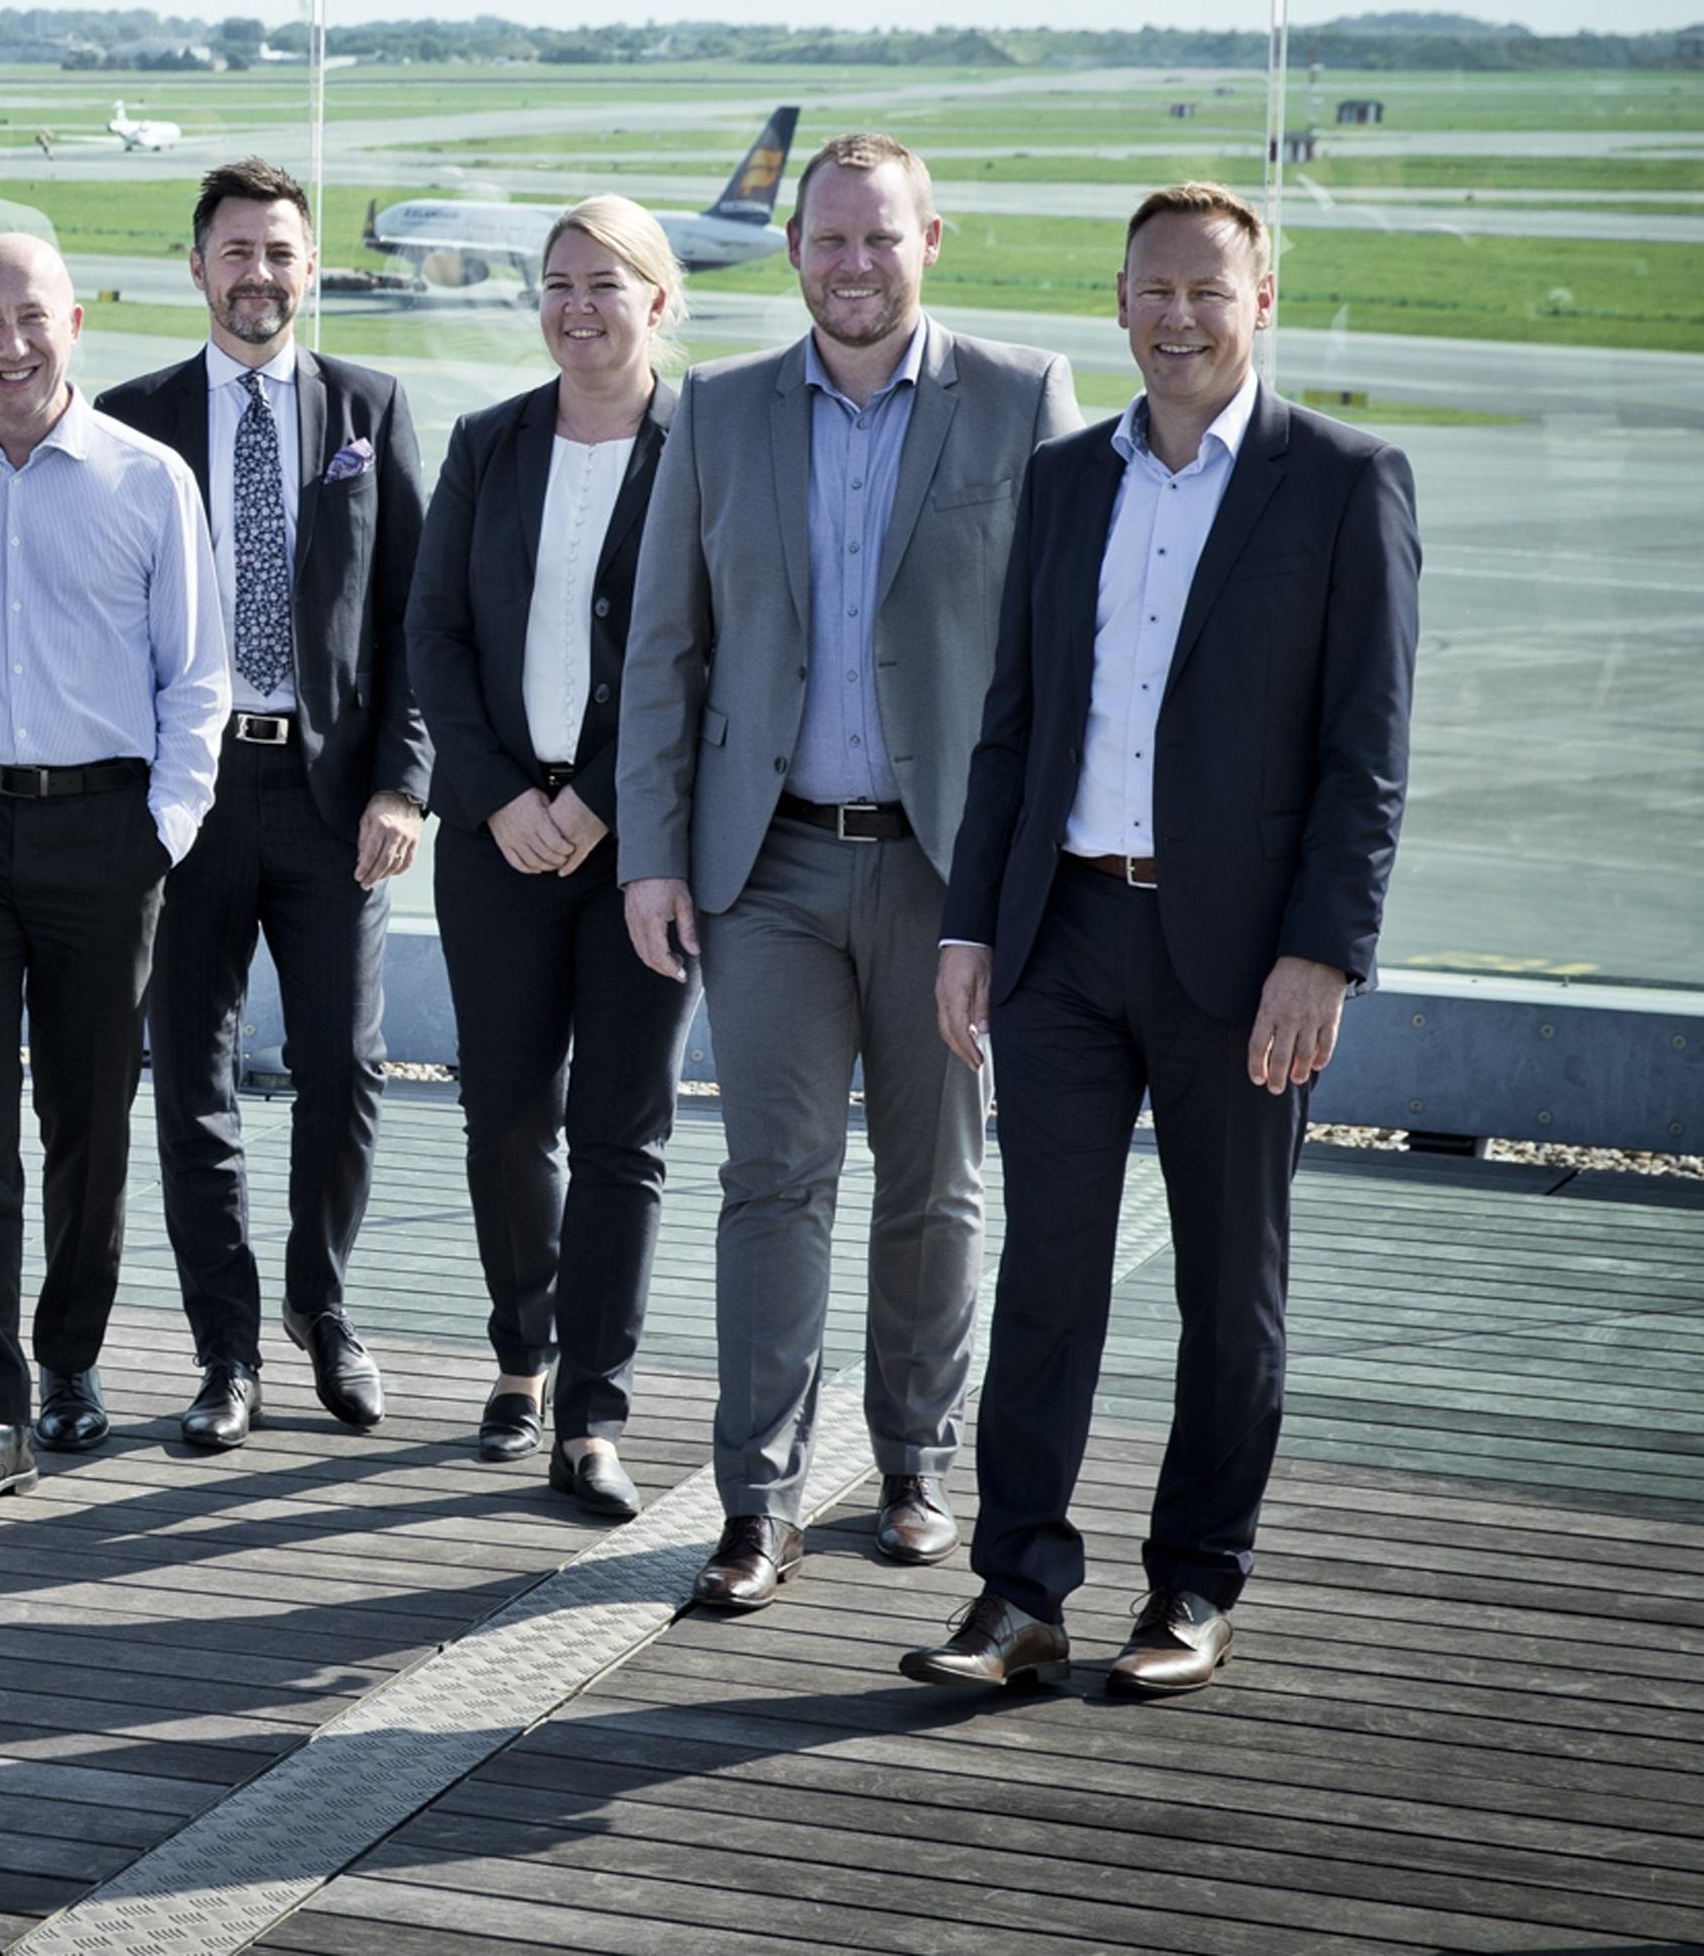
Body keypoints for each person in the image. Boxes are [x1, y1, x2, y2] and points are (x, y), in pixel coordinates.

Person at [908, 186, 1418, 1699]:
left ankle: (1193, 1585)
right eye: (1152, 289)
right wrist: (969, 922)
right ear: (1118, 300)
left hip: (1244, 959)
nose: (1176, 316)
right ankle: (1018, 1594)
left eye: (1207, 289)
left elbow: (1367, 751)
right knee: (1045, 1274)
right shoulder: (1067, 477)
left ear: (1261, 301)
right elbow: (1011, 724)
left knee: (1227, 1285)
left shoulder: (1344, 481)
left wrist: (1322, 951)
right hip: (1060, 932)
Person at [613, 132, 1079, 1616]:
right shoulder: (719, 408)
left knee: (934, 1184)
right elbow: (664, 651)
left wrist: (1023, 881)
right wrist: (649, 854)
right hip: (767, 870)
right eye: (829, 238)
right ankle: (755, 1501)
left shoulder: (1022, 398)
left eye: (881, 236)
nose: (854, 263)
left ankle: (915, 1461)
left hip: (949, 876)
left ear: (929, 240)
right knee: (772, 1181)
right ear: (794, 249)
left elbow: (1058, 659)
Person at [96, 159, 429, 1450]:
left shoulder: (369, 407)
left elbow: (413, 618)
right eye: (235, 251)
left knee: (345, 1065)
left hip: (331, 795)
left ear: (309, 265)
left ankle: (318, 1302)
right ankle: (224, 1349)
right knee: (192, 1076)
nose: (259, 274)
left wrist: (404, 780)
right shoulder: (130, 420)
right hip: (187, 793)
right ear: (196, 266)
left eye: (281, 252)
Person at [0, 236, 224, 1509]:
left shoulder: (149, 479)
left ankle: (69, 1355)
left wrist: (162, 831)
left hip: (105, 836)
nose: (11, 343)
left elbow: (196, 674)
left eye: (31, 317)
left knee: (88, 1119)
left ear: (74, 323)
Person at [407, 198, 697, 1521]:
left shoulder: (702, 450)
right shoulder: (488, 440)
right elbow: (434, 636)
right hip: (497, 841)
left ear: (657, 301)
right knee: (505, 1113)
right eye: (558, 282)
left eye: (605, 283)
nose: (577, 306)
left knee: (622, 1130)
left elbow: (710, 653)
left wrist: (597, 800)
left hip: (642, 850)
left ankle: (591, 1412)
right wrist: (496, 797)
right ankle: (521, 1350)